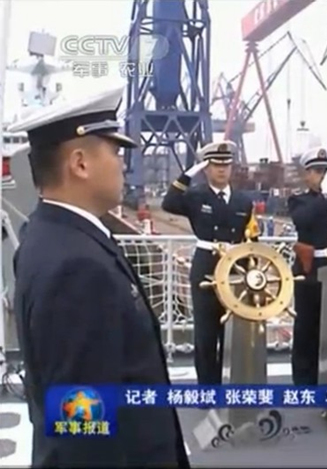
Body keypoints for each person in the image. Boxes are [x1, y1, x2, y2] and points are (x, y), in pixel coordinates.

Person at [9, 86, 189, 468]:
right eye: (115, 152)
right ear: (80, 163)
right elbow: (82, 426)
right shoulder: (77, 267)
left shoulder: (48, 234)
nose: (122, 165)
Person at [161, 141, 259, 385]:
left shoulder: (243, 201)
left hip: (236, 270)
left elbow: (252, 238)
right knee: (206, 334)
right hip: (206, 267)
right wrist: (189, 173)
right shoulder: (196, 196)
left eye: (226, 165)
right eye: (215, 165)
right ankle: (207, 388)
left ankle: (229, 385)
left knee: (232, 332)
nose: (222, 170)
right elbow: (169, 203)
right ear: (206, 168)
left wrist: (253, 272)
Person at [287, 147, 327, 385]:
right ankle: (304, 383)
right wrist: (323, 199)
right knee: (306, 328)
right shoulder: (299, 200)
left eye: (325, 170)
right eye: (316, 171)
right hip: (310, 270)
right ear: (307, 174)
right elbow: (302, 220)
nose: (322, 175)